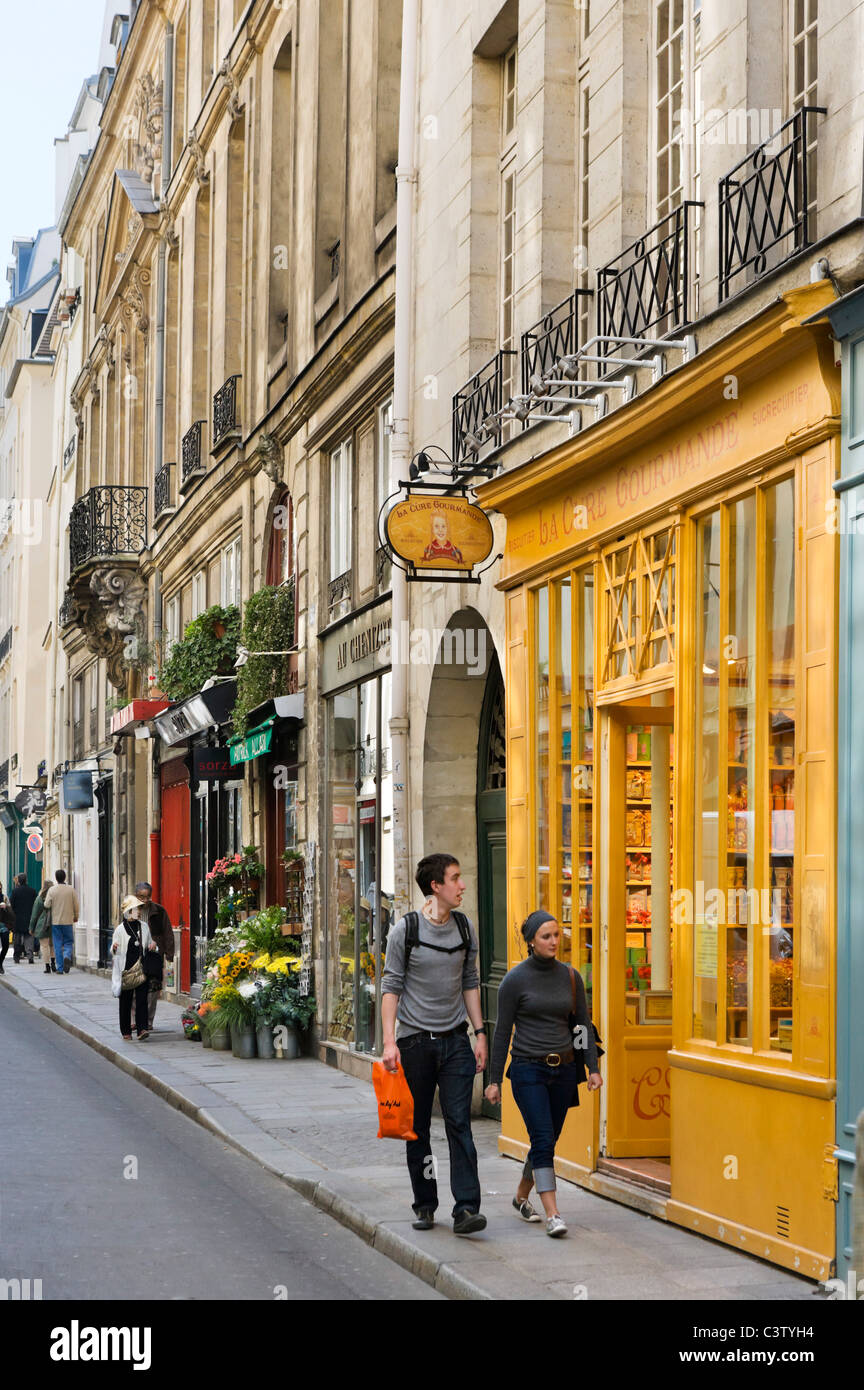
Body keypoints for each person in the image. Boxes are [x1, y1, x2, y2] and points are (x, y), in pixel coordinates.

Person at [381, 853, 487, 1236]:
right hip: (414, 1044)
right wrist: (389, 1042)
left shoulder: (464, 928)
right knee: (418, 1127)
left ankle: (466, 1208)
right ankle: (425, 1204)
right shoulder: (405, 931)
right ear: (435, 886)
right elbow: (390, 986)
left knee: (460, 1123)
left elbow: (470, 981)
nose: (462, 885)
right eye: (455, 878)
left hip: (455, 1040)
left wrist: (479, 1033)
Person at [485, 910, 602, 1238]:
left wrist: (592, 1067)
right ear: (531, 941)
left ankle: (521, 1196)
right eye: (546, 936)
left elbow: (581, 1026)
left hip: (564, 1070)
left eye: (556, 935)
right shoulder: (514, 980)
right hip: (528, 1069)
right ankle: (553, 1214)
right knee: (542, 1137)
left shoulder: (570, 976)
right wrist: (494, 1080)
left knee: (547, 1140)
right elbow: (502, 1032)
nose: (554, 941)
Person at [111, 894, 157, 1041]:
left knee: (142, 1000)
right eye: (136, 909)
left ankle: (142, 1028)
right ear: (129, 911)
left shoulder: (144, 927)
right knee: (125, 1001)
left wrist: (153, 946)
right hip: (126, 969)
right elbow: (114, 951)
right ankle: (126, 1031)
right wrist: (114, 947)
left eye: (138, 909)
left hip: (141, 969)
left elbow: (151, 944)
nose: (139, 911)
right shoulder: (120, 930)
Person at [133, 882, 174, 1029]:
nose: (145, 900)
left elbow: (168, 932)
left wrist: (169, 954)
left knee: (152, 989)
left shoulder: (159, 911)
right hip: (135, 954)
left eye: (148, 896)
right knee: (134, 988)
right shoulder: (130, 910)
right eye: (141, 897)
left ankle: (148, 1021)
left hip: (154, 955)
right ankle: (134, 1020)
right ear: (136, 895)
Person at [44, 869, 79, 975]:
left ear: (56, 878)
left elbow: (46, 904)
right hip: (68, 920)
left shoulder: (52, 890)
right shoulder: (71, 890)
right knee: (68, 942)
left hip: (56, 921)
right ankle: (67, 956)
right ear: (65, 877)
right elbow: (76, 905)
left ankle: (60, 968)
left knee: (57, 944)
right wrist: (76, 916)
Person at [10, 873, 37, 964]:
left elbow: (11, 905)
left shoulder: (15, 891)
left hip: (18, 918)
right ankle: (30, 956)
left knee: (17, 938)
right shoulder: (32, 891)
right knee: (29, 938)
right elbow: (35, 905)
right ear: (26, 880)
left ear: (19, 881)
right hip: (29, 917)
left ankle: (17, 957)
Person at [30, 881, 56, 974]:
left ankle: (47, 966)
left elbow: (34, 915)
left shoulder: (39, 898)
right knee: (52, 945)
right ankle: (53, 963)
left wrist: (31, 927)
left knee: (44, 946)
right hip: (54, 923)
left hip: (43, 925)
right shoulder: (55, 898)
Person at [0, 883, 13, 974]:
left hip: (4, 925)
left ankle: (0, 962)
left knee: (6, 945)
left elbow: (10, 910)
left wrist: (6, 907)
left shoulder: (4, 897)